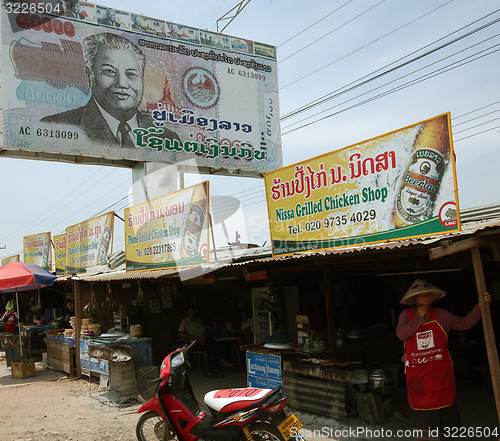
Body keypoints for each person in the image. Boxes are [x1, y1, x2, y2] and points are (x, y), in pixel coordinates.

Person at [41, 33, 179, 148]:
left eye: (131, 74)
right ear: (90, 75)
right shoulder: (56, 126)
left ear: (142, 80)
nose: (122, 84)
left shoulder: (167, 138)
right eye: (109, 71)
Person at [396, 279, 491, 440]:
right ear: (414, 299)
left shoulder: (442, 315)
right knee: (425, 432)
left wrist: (480, 307)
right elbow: (401, 335)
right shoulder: (406, 316)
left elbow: (465, 323)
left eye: (429, 295)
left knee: (449, 427)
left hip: (441, 378)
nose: (427, 298)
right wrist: (418, 319)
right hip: (418, 382)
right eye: (422, 295)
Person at [178, 305, 224, 378]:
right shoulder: (185, 321)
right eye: (190, 312)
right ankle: (218, 364)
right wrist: (198, 338)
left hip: (203, 341)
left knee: (211, 345)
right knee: (210, 344)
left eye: (193, 312)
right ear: (187, 313)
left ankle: (215, 368)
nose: (192, 313)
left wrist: (202, 338)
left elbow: (203, 332)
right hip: (193, 343)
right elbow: (181, 333)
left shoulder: (198, 321)